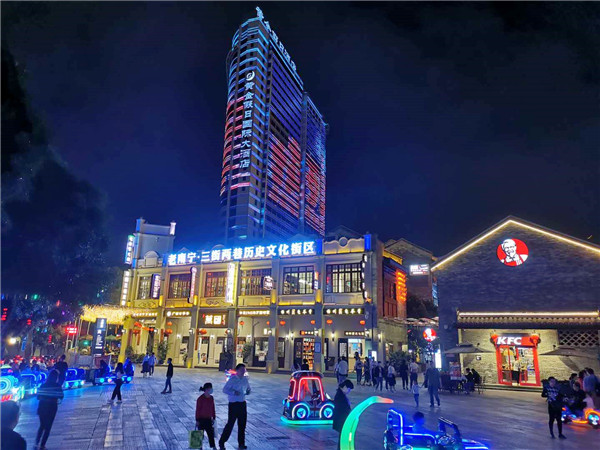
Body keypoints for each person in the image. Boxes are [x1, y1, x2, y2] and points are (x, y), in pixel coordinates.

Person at [219, 363, 251, 450]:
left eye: (244, 370)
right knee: (230, 424)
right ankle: (222, 442)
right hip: (233, 404)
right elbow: (225, 390)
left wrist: (248, 391)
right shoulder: (232, 379)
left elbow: (248, 388)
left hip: (242, 403)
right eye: (242, 370)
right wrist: (233, 392)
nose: (243, 372)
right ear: (237, 370)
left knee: (242, 425)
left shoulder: (245, 379)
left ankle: (241, 443)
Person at [36, 369, 64, 449]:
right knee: (48, 427)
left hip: (42, 406)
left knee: (42, 425)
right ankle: (42, 445)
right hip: (52, 407)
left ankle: (36, 442)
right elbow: (61, 396)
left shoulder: (43, 385)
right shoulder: (57, 386)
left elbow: (38, 397)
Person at [332, 379, 354, 450]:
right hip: (342, 421)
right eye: (349, 389)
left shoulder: (341, 394)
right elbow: (342, 409)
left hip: (342, 421)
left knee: (342, 438)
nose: (349, 391)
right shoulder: (340, 396)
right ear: (345, 387)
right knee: (342, 438)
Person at [196, 382, 217, 450]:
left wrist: (214, 417)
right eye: (209, 389)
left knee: (210, 434)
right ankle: (200, 447)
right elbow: (198, 410)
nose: (210, 390)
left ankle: (213, 446)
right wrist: (197, 420)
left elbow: (213, 408)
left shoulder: (211, 398)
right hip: (201, 419)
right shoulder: (200, 399)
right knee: (200, 434)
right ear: (205, 389)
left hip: (208, 419)